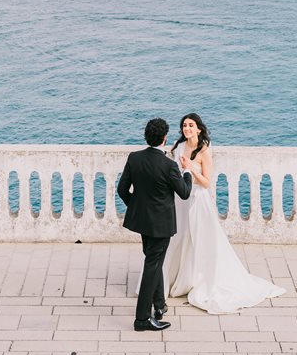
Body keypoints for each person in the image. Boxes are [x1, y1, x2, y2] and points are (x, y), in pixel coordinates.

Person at [162, 113, 285, 313]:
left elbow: (207, 182)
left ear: (199, 129)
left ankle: (198, 278)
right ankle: (178, 277)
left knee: (199, 240)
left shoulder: (204, 150)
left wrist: (190, 169)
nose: (187, 128)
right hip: (180, 199)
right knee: (180, 237)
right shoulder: (178, 146)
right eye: (184, 125)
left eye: (191, 125)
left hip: (197, 199)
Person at [117, 117, 193, 331]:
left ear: (146, 136)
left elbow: (122, 190)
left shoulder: (134, 158)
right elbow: (185, 193)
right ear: (164, 138)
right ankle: (142, 319)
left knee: (154, 261)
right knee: (152, 264)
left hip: (142, 222)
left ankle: (159, 305)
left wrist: (136, 207)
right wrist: (186, 172)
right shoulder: (169, 165)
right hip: (161, 224)